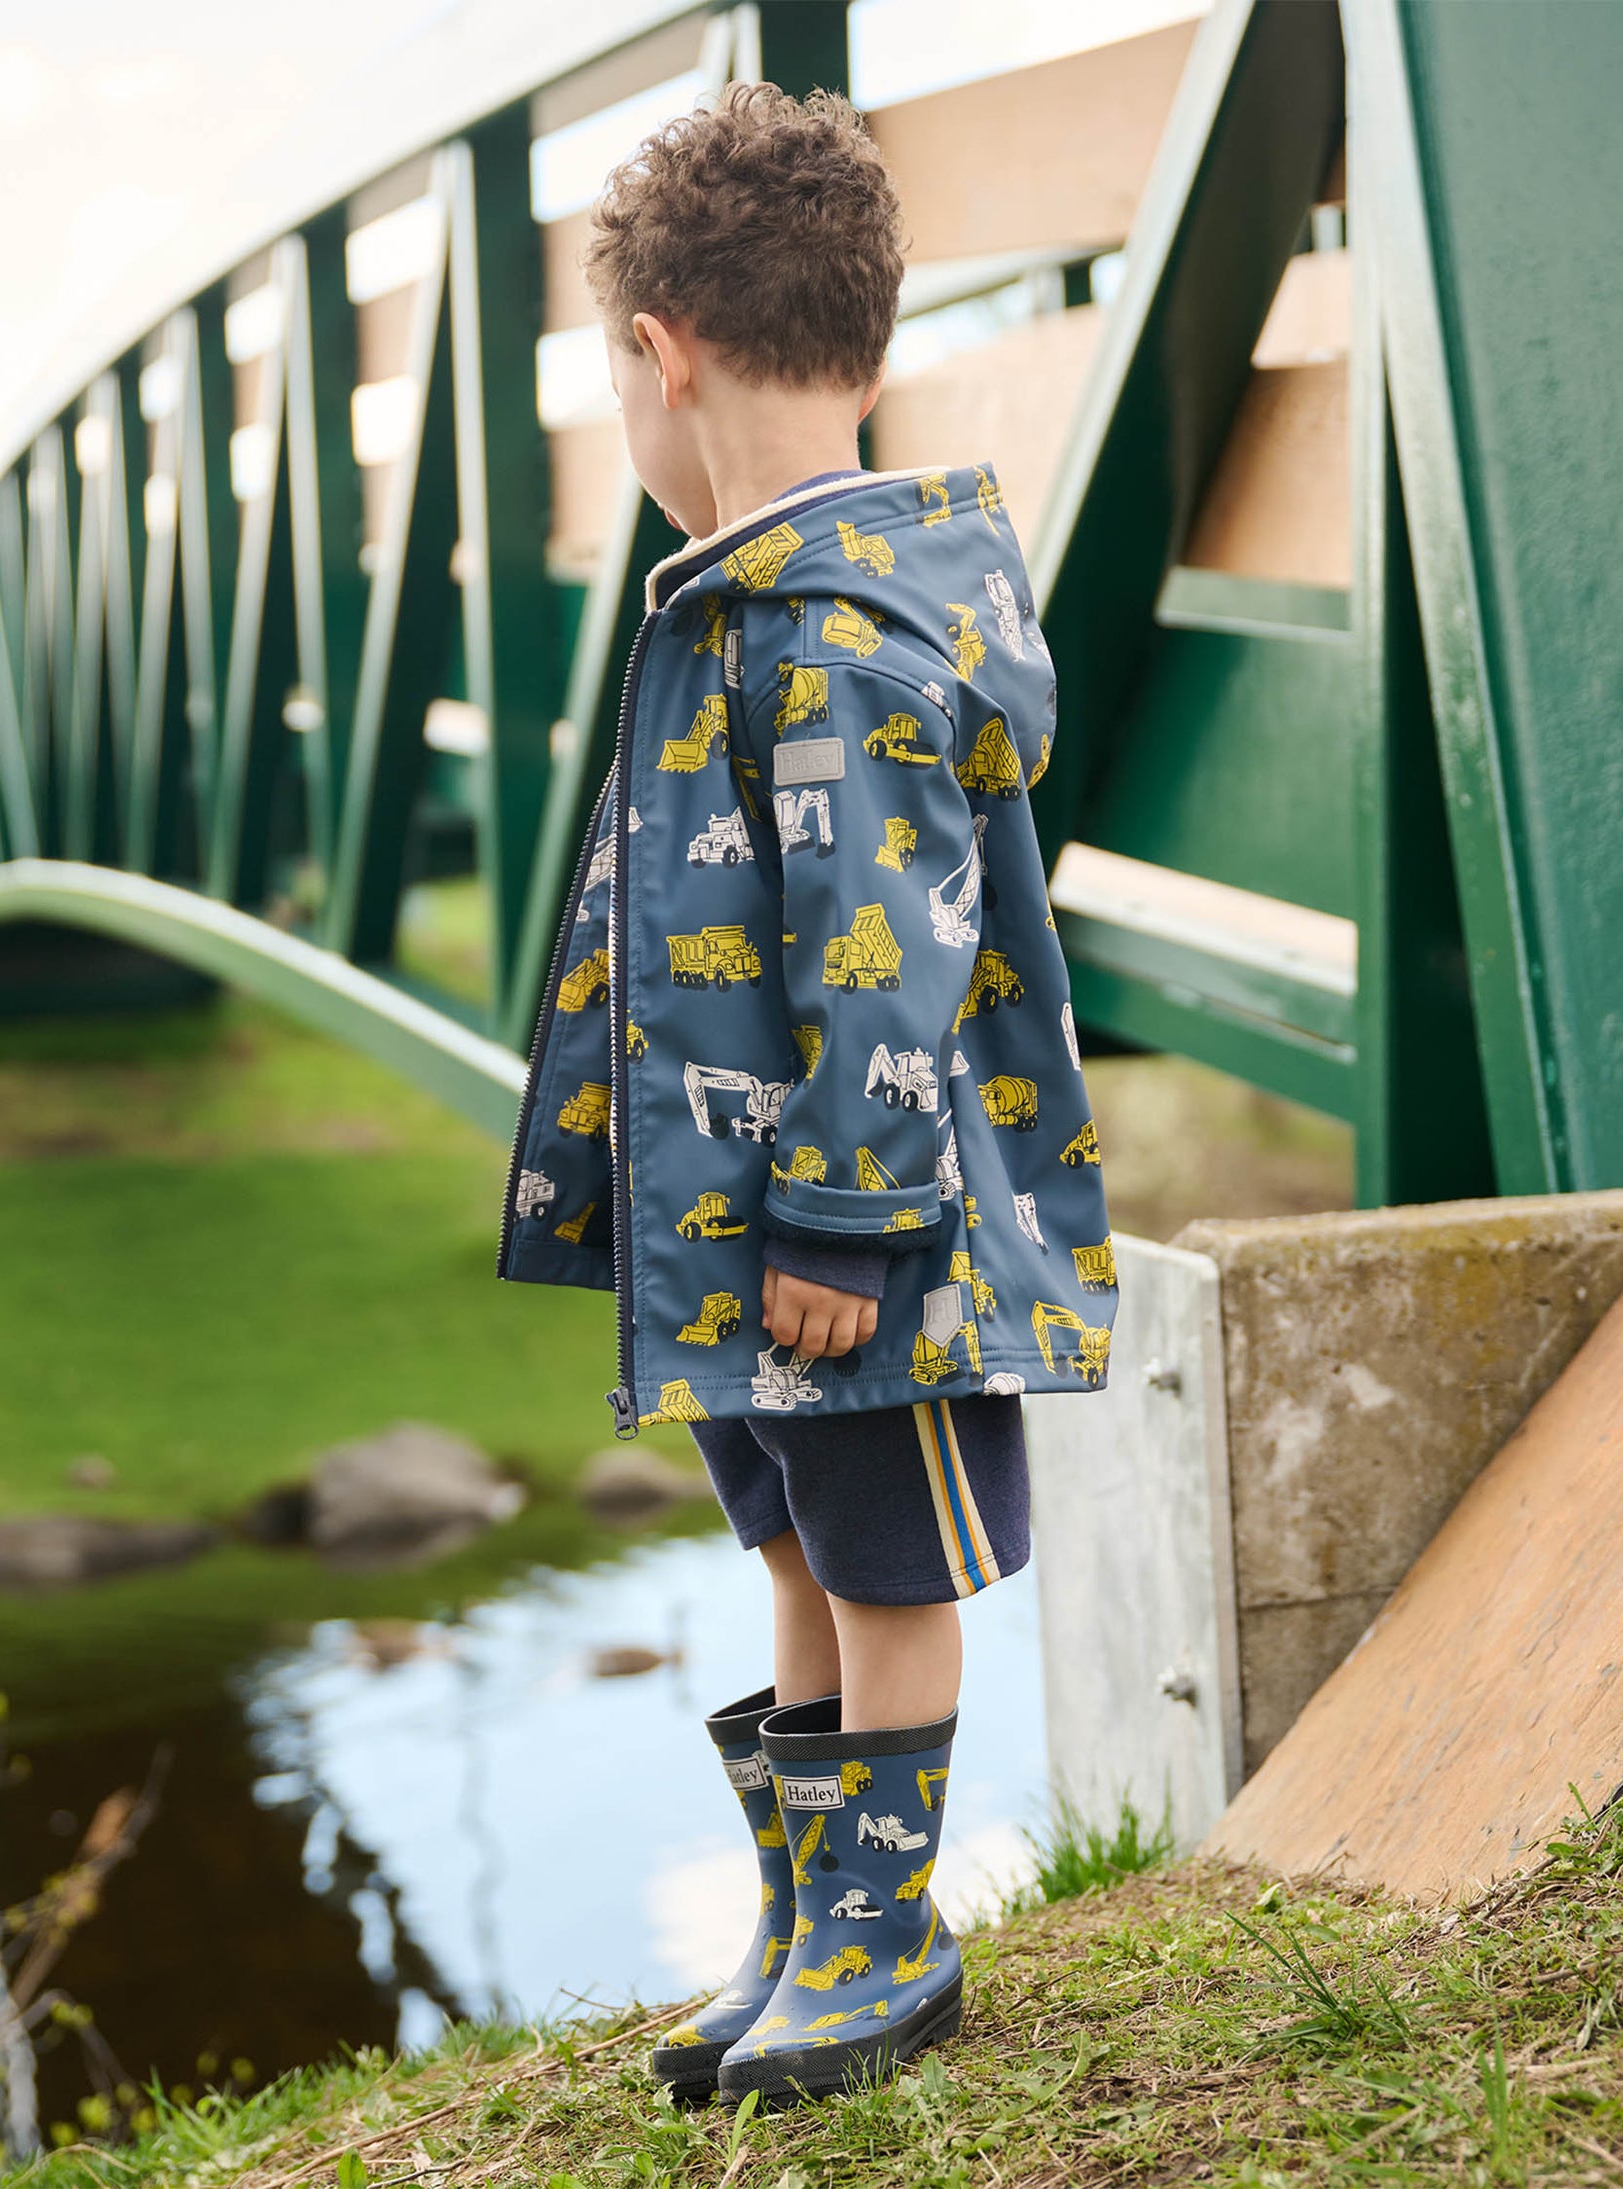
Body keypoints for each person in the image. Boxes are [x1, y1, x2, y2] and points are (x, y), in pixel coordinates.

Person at [497, 82, 1116, 2108]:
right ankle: (811, 1918)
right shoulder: (755, 599)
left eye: (617, 381)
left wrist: (845, 1216)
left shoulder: (837, 629)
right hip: (740, 1230)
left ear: (656, 355)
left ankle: (884, 1938)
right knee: (791, 1545)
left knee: (881, 1566)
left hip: (862, 1239)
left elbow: (891, 942)